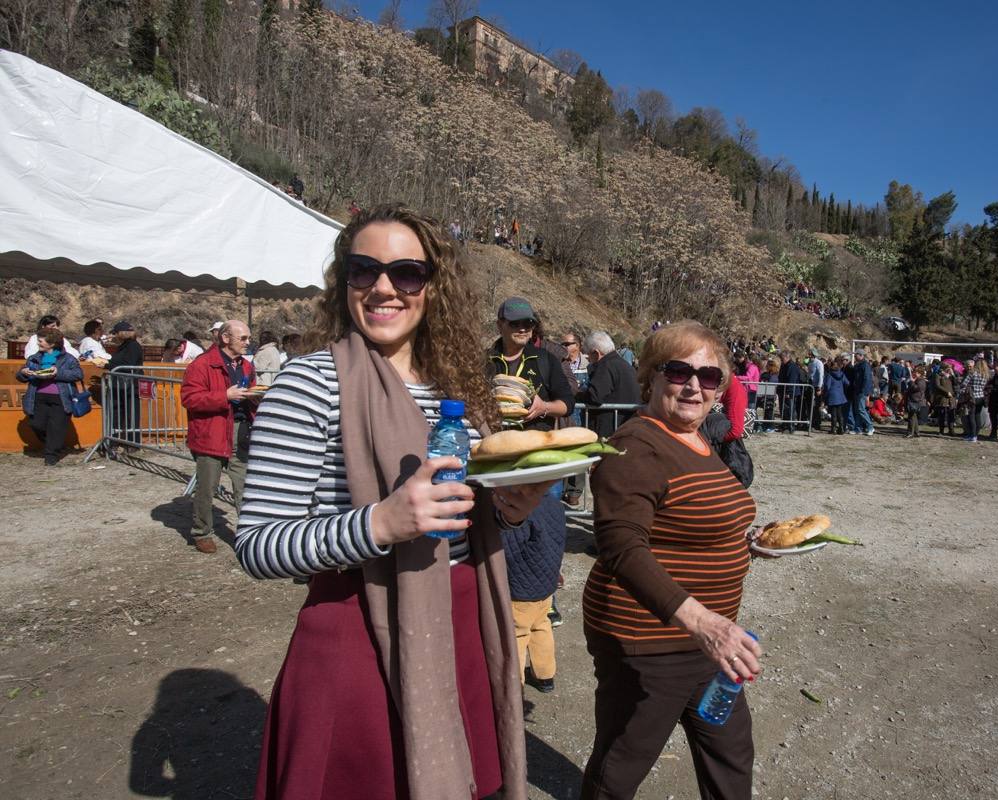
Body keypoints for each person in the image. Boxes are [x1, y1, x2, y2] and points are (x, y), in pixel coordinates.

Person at [235, 205, 542, 799]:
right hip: (357, 628)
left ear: (433, 287)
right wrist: (382, 523)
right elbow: (256, 545)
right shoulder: (309, 383)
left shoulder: (458, 387)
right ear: (343, 281)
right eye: (363, 270)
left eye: (406, 273)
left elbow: (461, 517)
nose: (383, 287)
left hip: (462, 620)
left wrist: (512, 507)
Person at [581, 321, 761, 799]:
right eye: (679, 371)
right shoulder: (636, 445)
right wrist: (704, 624)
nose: (694, 386)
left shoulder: (697, 439)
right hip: (650, 640)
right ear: (650, 377)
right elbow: (621, 544)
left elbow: (690, 520)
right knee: (621, 766)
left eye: (709, 376)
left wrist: (746, 540)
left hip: (710, 640)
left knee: (730, 754)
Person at [181, 321, 258, 555]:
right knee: (207, 487)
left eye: (248, 338)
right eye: (243, 338)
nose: (248, 342)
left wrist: (255, 397)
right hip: (211, 433)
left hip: (240, 432)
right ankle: (202, 532)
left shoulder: (246, 366)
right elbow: (190, 399)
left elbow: (250, 391)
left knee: (244, 486)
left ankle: (249, 534)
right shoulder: (202, 364)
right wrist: (224, 396)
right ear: (225, 338)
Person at [501, 492, 567, 693]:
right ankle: (545, 676)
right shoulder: (555, 505)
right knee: (541, 626)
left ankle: (515, 686)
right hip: (545, 584)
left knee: (518, 634)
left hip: (520, 589)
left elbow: (508, 551)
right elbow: (558, 541)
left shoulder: (520, 512)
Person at [487, 297, 574, 432]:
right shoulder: (483, 361)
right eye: (515, 323)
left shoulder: (546, 359)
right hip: (492, 439)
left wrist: (544, 407)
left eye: (528, 324)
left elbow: (568, 404)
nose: (522, 329)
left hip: (535, 441)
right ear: (500, 325)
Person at [17, 327, 84, 465]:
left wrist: (58, 373)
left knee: (57, 426)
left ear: (52, 343)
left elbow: (78, 374)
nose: (38, 343)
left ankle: (51, 455)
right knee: (36, 424)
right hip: (38, 396)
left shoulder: (68, 359)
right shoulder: (34, 358)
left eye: (41, 341)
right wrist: (24, 372)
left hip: (61, 398)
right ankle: (52, 443)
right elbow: (20, 375)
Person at [578, 331, 639, 439]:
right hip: (625, 426)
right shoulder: (623, 364)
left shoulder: (605, 366)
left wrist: (576, 394)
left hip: (608, 430)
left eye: (588, 356)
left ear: (596, 353)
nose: (588, 360)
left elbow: (594, 396)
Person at [106, 321, 144, 447]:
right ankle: (115, 440)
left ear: (120, 333)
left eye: (115, 333)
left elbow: (128, 364)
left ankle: (132, 443)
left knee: (131, 414)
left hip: (130, 385)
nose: (114, 336)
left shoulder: (133, 346)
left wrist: (107, 365)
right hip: (121, 384)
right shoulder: (124, 346)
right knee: (117, 413)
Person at [958, 359, 989, 443]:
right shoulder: (985, 375)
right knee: (977, 416)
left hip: (972, 397)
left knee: (971, 416)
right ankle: (976, 435)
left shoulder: (972, 373)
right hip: (981, 397)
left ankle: (972, 435)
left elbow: (964, 383)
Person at [848, 349, 875, 435]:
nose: (855, 356)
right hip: (857, 390)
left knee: (861, 409)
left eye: (856, 354)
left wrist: (865, 392)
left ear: (861, 355)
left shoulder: (865, 365)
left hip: (862, 391)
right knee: (857, 410)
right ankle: (858, 429)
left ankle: (870, 427)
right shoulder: (858, 365)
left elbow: (867, 379)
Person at [823, 356, 851, 434]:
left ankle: (833, 429)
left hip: (832, 395)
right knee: (840, 413)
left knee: (833, 413)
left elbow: (827, 386)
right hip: (840, 396)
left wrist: (825, 393)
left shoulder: (829, 375)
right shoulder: (842, 374)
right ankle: (841, 428)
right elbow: (847, 383)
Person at [932, 365, 956, 436]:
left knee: (951, 414)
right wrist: (946, 392)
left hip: (951, 397)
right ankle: (941, 431)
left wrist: (953, 375)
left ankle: (951, 430)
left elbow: (956, 384)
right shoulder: (938, 375)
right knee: (942, 414)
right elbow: (938, 385)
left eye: (950, 368)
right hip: (942, 397)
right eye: (948, 368)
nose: (949, 370)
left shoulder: (951, 376)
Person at [904, 366, 927, 438]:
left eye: (916, 372)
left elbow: (916, 388)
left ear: (920, 373)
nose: (914, 373)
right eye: (914, 372)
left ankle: (910, 433)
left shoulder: (921, 381)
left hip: (916, 401)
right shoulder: (917, 380)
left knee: (911, 417)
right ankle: (916, 432)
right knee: (914, 416)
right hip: (914, 400)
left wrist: (911, 381)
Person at [806, 348, 824, 431]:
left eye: (810, 354)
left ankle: (817, 423)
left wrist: (819, 387)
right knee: (811, 405)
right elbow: (809, 374)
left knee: (816, 406)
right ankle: (811, 421)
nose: (809, 356)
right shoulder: (810, 363)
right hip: (811, 385)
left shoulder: (819, 363)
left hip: (817, 386)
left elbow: (821, 375)